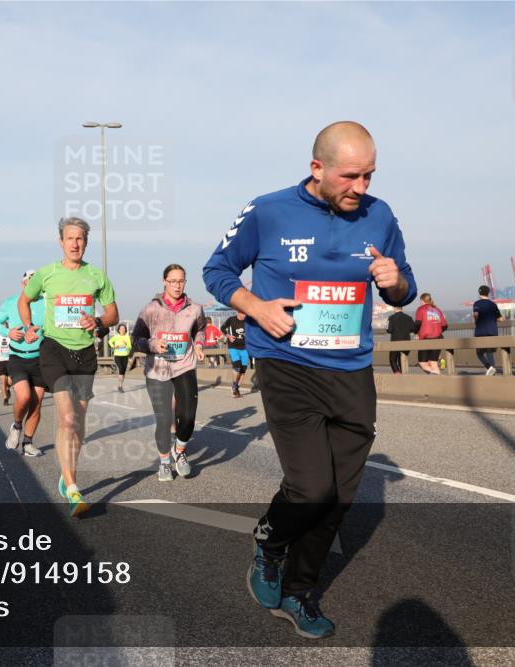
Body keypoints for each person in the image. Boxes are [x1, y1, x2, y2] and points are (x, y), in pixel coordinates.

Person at [203, 121, 417, 639]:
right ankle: (269, 542)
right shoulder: (268, 210)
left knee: (338, 497)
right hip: (286, 363)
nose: (361, 187)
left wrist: (395, 283)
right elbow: (217, 270)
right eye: (350, 176)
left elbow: (404, 288)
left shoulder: (380, 215)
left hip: (351, 370)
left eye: (369, 175)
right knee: (311, 488)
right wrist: (256, 306)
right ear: (317, 167)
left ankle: (299, 592)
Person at [18, 217, 118, 517]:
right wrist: (29, 326)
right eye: (70, 238)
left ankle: (67, 474)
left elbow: (113, 313)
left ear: (86, 242)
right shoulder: (46, 274)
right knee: (67, 416)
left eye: (80, 238)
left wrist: (97, 320)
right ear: (61, 241)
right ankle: (73, 489)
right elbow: (24, 300)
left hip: (85, 353)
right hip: (54, 349)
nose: (75, 243)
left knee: (79, 421)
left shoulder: (97, 276)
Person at [132, 264, 206, 481]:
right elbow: (136, 340)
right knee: (164, 419)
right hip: (158, 369)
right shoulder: (150, 309)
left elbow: (200, 329)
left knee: (188, 416)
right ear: (164, 282)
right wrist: (153, 345)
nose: (177, 285)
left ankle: (179, 450)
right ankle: (164, 462)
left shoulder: (194, 308)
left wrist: (199, 344)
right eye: (172, 281)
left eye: (181, 281)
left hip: (184, 364)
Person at [0, 270, 47, 456]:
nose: (33, 286)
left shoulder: (46, 302)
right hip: (17, 358)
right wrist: (8, 332)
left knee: (36, 404)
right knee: (23, 398)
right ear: (23, 284)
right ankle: (16, 426)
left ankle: (28, 444)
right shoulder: (10, 302)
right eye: (29, 282)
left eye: (36, 282)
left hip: (40, 358)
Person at [472, 285, 503, 376]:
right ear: (488, 293)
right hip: (492, 331)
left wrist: (475, 321)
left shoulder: (477, 303)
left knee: (479, 353)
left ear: (479, 293)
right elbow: (501, 319)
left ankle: (490, 367)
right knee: (489, 351)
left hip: (481, 331)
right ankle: (492, 368)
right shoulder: (493, 304)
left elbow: (476, 314)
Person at [413, 293, 446, 375]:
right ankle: (438, 379)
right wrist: (437, 331)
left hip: (425, 339)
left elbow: (417, 323)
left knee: (422, 363)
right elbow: (445, 325)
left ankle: (436, 375)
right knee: (433, 363)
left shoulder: (421, 309)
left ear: (422, 300)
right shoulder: (437, 310)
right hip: (438, 338)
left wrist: (415, 332)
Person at [221, 311, 249, 396]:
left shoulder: (248, 321)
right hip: (233, 346)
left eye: (245, 314)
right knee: (237, 367)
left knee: (243, 370)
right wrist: (228, 336)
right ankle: (234, 384)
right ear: (238, 313)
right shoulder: (231, 319)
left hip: (245, 348)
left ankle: (236, 388)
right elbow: (222, 328)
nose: (244, 315)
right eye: (243, 313)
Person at [385, 306, 415, 374]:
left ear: (394, 308)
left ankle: (398, 374)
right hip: (406, 341)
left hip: (395, 342)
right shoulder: (409, 317)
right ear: (402, 308)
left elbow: (388, 330)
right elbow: (413, 329)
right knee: (402, 360)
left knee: (393, 360)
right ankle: (403, 374)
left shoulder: (391, 318)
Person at [107, 324, 133, 393]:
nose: (122, 330)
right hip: (117, 355)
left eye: (124, 329)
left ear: (125, 330)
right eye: (121, 329)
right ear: (118, 330)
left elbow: (130, 346)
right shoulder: (116, 336)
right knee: (121, 369)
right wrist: (114, 346)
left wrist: (126, 344)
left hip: (125, 355)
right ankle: (120, 385)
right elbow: (109, 341)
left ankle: (120, 386)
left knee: (123, 371)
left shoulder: (127, 337)